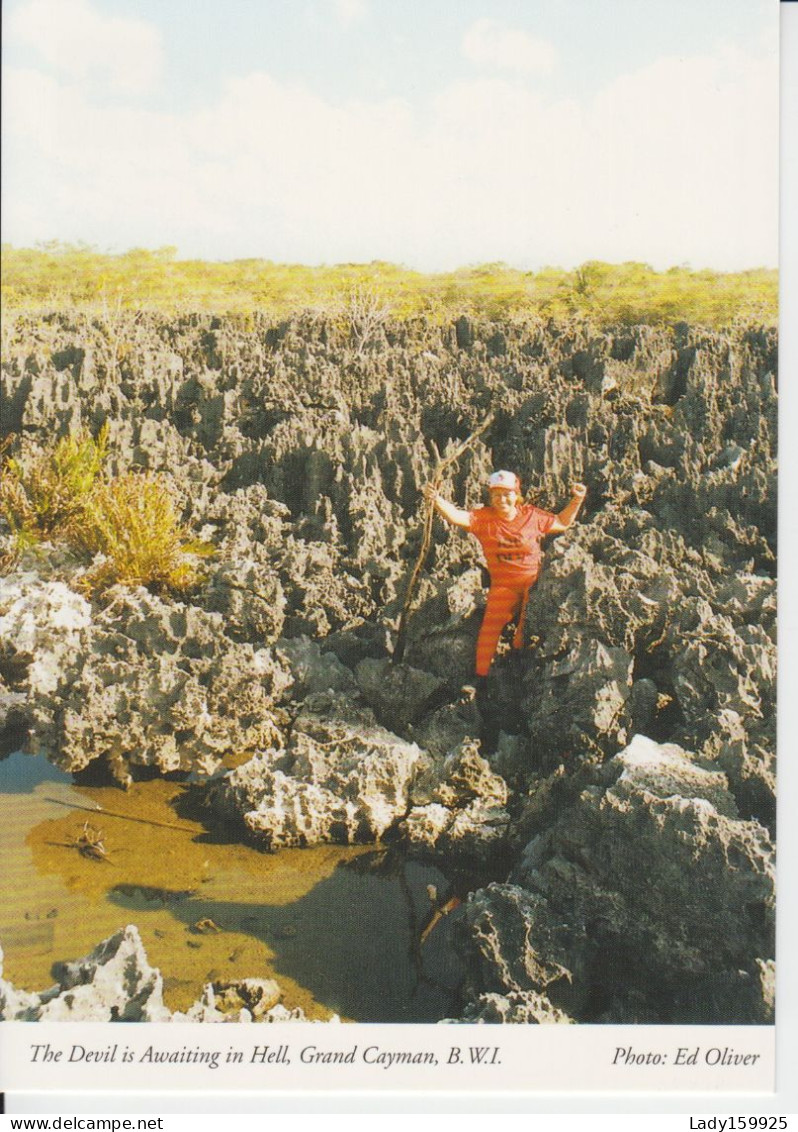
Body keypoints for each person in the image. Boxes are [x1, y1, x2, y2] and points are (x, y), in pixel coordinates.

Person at [424, 471, 587, 679]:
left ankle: (523, 673)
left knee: (522, 636)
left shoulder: (531, 515)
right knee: (489, 630)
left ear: (516, 495)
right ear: (490, 498)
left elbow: (563, 522)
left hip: (532, 584)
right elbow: (457, 517)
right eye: (497, 495)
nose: (502, 500)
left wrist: (577, 499)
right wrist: (436, 499)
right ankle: (480, 679)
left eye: (507, 494)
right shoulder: (484, 519)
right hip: (504, 587)